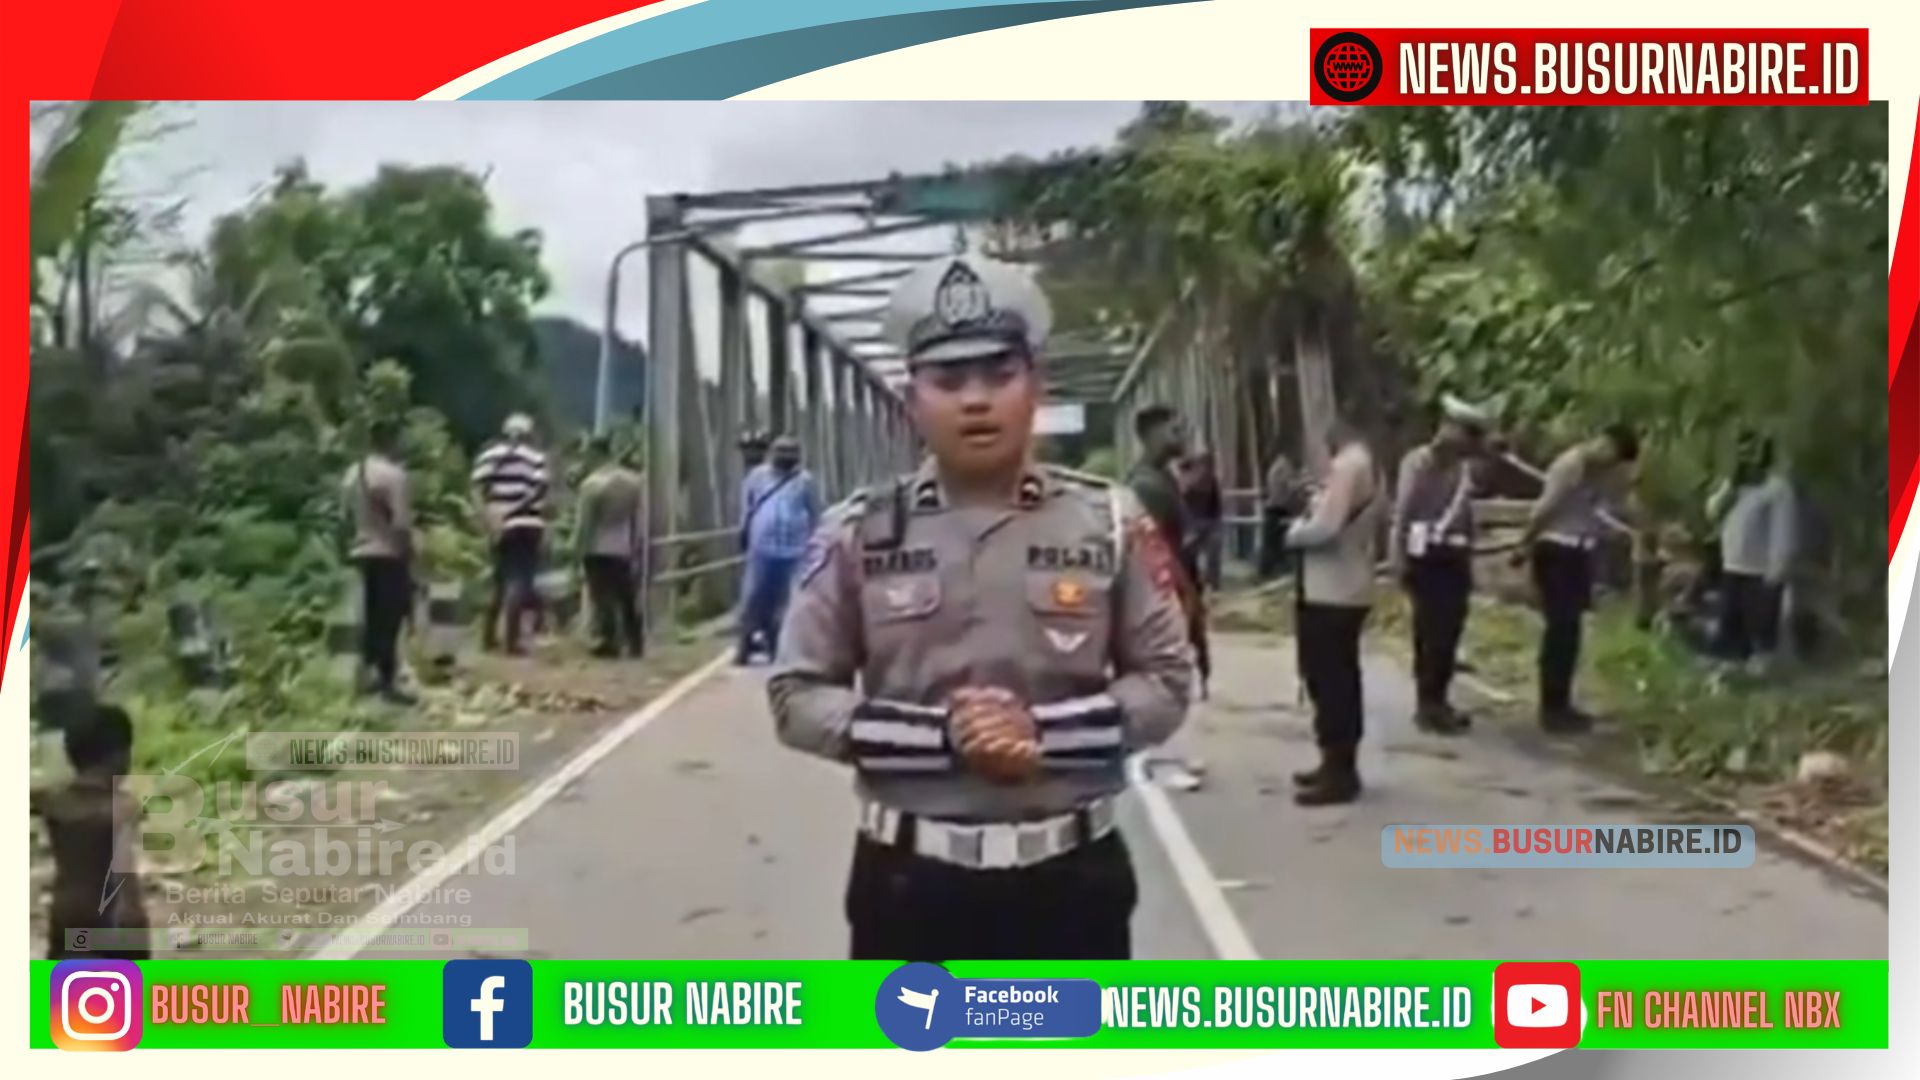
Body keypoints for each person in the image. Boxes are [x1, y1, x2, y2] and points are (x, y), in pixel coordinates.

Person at [769, 253, 1192, 961]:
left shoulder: (1110, 523)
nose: (975, 399)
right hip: (908, 885)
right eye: (948, 380)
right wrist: (944, 739)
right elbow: (797, 694)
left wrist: (1040, 735)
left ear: (1036, 386)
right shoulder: (857, 532)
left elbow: (1168, 681)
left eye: (999, 375)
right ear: (912, 401)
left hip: (1071, 884)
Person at [1284, 420, 1381, 805]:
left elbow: (1327, 526)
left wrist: (1294, 532)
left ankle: (1340, 770)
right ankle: (1335, 762)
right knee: (1338, 677)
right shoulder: (1367, 463)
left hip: (1331, 589)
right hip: (1347, 586)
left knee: (1329, 680)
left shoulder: (1347, 466)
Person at [1521, 423, 1640, 733]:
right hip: (1556, 549)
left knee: (1570, 632)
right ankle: (1551, 707)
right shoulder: (1572, 466)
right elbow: (1545, 509)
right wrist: (1525, 543)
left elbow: (1596, 513)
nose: (1609, 461)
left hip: (1577, 552)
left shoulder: (1597, 473)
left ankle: (1561, 702)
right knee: (1561, 629)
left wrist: (1623, 530)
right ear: (1603, 441)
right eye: (1611, 453)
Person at [1387, 394, 1492, 735]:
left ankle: (1439, 699)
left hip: (1453, 557)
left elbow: (1466, 516)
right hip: (1425, 557)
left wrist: (1470, 555)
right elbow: (1403, 513)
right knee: (1431, 632)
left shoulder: (1463, 470)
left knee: (1450, 631)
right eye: (1464, 431)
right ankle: (1428, 703)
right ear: (1446, 428)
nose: (1467, 441)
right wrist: (1397, 557)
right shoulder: (1419, 463)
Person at [33, 689, 152, 960]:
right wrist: (132, 914)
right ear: (119, 756)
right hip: (111, 920)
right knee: (122, 986)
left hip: (67, 916)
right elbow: (122, 866)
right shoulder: (122, 807)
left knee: (64, 985)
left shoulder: (54, 802)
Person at [1127, 405, 1208, 693]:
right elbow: (1155, 549)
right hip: (1167, 592)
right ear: (1152, 435)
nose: (1182, 436)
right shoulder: (1146, 486)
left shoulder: (1162, 478)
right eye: (1174, 431)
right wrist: (1186, 594)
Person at [1707, 432, 1796, 672]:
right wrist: (1730, 486)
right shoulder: (1736, 487)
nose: (1747, 458)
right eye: (1742, 452)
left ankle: (1763, 662)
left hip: (1760, 569)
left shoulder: (1777, 489)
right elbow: (1712, 512)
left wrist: (1778, 568)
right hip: (1733, 564)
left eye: (1752, 452)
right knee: (1731, 620)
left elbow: (1782, 529)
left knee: (1761, 624)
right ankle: (1731, 660)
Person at [342, 419, 415, 702]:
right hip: (388, 552)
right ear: (390, 441)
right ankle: (386, 680)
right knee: (390, 617)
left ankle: (366, 675)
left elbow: (344, 517)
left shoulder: (353, 474)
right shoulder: (394, 476)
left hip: (359, 552)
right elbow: (401, 522)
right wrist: (409, 552)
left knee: (369, 616)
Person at [472, 413, 551, 655]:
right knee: (520, 579)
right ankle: (511, 640)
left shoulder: (489, 456)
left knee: (499, 577)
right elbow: (541, 489)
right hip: (527, 523)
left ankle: (488, 636)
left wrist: (489, 518)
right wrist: (516, 509)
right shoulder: (536, 458)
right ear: (529, 434)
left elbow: (477, 489)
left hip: (498, 524)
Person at [738, 434, 820, 665]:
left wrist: (816, 543)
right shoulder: (757, 477)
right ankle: (744, 643)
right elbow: (747, 507)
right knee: (754, 596)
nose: (786, 456)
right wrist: (743, 532)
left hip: (795, 549)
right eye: (781, 451)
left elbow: (815, 512)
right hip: (762, 547)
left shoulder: (805, 481)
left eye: (790, 452)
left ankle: (778, 644)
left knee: (789, 599)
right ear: (772, 454)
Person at [576, 434, 647, 659]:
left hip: (597, 547)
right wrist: (636, 544)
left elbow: (585, 523)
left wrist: (578, 549)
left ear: (595, 454)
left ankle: (609, 641)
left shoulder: (591, 485)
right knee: (626, 596)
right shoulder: (632, 481)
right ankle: (635, 641)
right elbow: (638, 518)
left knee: (602, 597)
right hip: (623, 545)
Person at [1182, 448, 1225, 592]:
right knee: (1190, 554)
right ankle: (1194, 582)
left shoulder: (1212, 481)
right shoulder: (1189, 480)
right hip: (1195, 522)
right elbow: (1183, 503)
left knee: (1213, 552)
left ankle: (1212, 583)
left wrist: (1217, 520)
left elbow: (1216, 502)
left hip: (1209, 521)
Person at [1259, 449, 1302, 579]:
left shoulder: (1278, 466)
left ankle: (1270, 571)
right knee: (1274, 543)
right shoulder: (1283, 467)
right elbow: (1289, 486)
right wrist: (1301, 484)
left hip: (1276, 508)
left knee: (1273, 542)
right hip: (1277, 509)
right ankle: (1269, 571)